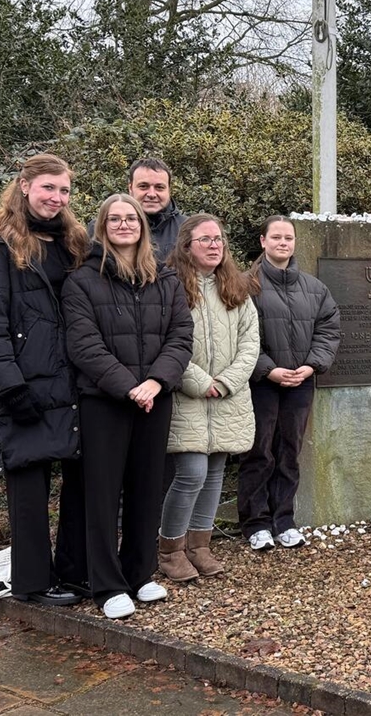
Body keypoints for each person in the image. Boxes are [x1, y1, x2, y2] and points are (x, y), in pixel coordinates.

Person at [62, 194, 193, 619]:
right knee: (101, 493)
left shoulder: (165, 279)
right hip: (105, 401)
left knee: (147, 486)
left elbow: (180, 336)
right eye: (114, 219)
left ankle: (140, 572)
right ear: (102, 226)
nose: (123, 225)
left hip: (155, 398)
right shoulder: (83, 280)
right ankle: (108, 584)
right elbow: (84, 344)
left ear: (142, 225)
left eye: (130, 218)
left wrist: (155, 382)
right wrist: (128, 386)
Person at [0, 154, 89, 606]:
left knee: (80, 484)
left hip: (74, 384)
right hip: (27, 384)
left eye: (64, 191)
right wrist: (11, 387)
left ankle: (76, 572)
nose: (56, 198)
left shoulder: (75, 242)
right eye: (48, 189)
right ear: (24, 186)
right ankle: (33, 583)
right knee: (29, 487)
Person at [158, 214, 259, 583]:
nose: (215, 245)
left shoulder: (236, 287)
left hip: (228, 397)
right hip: (188, 396)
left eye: (219, 239)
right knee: (191, 473)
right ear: (186, 245)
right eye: (205, 239)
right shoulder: (170, 285)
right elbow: (166, 341)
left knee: (215, 472)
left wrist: (228, 381)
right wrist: (202, 382)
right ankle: (170, 550)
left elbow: (251, 342)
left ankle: (200, 547)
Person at [240, 216, 341, 551]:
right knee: (260, 451)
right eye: (277, 237)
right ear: (263, 241)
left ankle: (284, 520)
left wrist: (312, 366)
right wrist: (268, 369)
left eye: (288, 238)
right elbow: (238, 338)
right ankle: (256, 523)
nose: (283, 243)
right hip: (261, 383)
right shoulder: (245, 285)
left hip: (300, 382)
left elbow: (329, 328)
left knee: (289, 452)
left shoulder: (315, 288)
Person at [88, 157, 185, 261]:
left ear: (169, 190)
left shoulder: (187, 229)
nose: (152, 194)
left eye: (159, 187)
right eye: (143, 186)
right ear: (130, 188)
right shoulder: (99, 227)